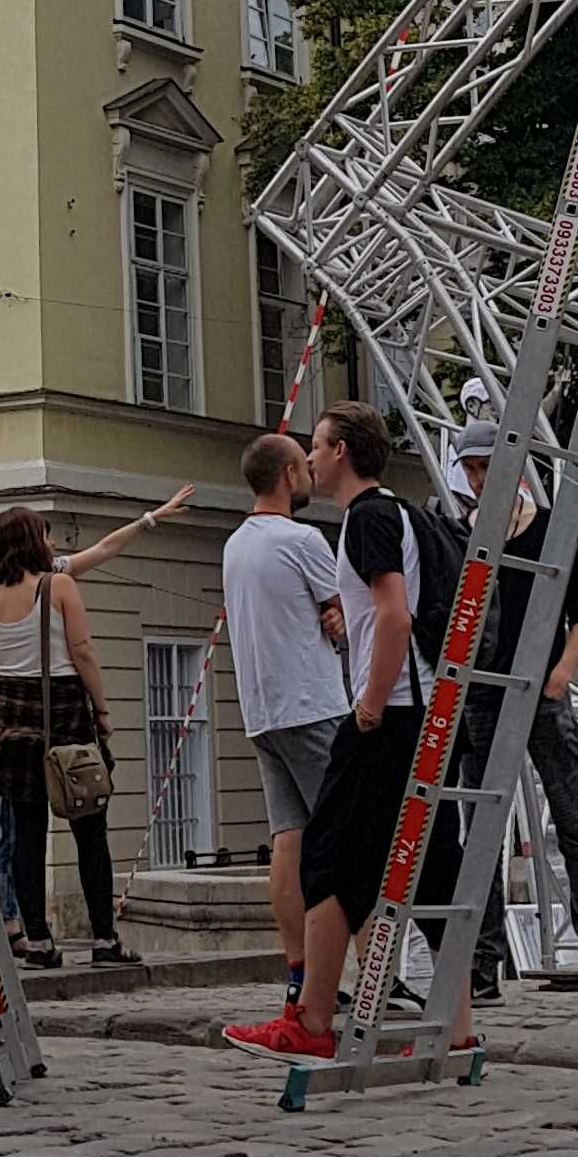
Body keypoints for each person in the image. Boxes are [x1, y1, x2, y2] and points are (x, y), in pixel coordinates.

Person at [225, 402, 466, 1064]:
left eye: (320, 444)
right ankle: (457, 1022)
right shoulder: (398, 511)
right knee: (429, 864)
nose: (312, 455)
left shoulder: (364, 519)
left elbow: (392, 617)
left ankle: (311, 1019)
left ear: (344, 453)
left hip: (387, 715)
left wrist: (367, 704)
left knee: (329, 860)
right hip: (413, 712)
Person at [439, 397, 578, 1011]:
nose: (477, 477)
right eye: (469, 469)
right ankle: (485, 965)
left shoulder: (551, 527)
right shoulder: (463, 533)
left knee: (575, 828)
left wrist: (557, 678)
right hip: (484, 697)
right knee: (482, 837)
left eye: (485, 465)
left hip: (539, 693)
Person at [0, 486, 187, 967]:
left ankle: (39, 943)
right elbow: (83, 651)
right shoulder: (59, 586)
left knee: (26, 837)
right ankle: (104, 940)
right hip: (66, 714)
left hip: (13, 725)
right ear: (34, 541)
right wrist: (103, 711)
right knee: (90, 830)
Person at [220, 429, 349, 1017]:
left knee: (288, 841)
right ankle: (360, 972)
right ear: (288, 476)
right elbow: (342, 614)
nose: (309, 472)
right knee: (349, 839)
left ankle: (298, 970)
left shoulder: (236, 545)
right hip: (312, 703)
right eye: (303, 463)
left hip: (262, 711)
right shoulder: (304, 539)